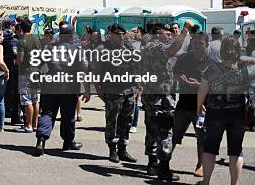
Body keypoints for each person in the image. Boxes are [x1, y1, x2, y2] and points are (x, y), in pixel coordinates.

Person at [197, 36, 255, 185]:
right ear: (237, 51)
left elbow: (203, 90)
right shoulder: (245, 70)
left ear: (221, 51)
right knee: (235, 150)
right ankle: (234, 183)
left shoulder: (211, 69)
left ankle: (206, 181)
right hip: (237, 113)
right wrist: (244, 57)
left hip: (215, 112)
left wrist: (199, 105)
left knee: (210, 149)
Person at [141, 22, 191, 181]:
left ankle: (151, 164)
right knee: (165, 132)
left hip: (150, 95)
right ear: (157, 34)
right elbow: (172, 49)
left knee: (151, 130)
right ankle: (164, 169)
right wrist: (184, 31)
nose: (169, 36)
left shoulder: (147, 47)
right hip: (160, 98)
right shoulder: (156, 47)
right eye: (167, 34)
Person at [34, 24, 90, 156]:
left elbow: (39, 64)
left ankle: (41, 140)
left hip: (50, 85)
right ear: (71, 36)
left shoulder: (49, 49)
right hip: (69, 87)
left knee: (48, 113)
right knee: (68, 115)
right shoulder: (77, 51)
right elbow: (84, 69)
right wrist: (86, 89)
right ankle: (68, 141)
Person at [94, 24, 139, 163]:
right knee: (112, 121)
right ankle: (112, 150)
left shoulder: (129, 48)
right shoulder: (102, 50)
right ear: (111, 35)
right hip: (113, 91)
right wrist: (98, 90)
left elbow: (135, 68)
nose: (121, 37)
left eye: (122, 34)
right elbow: (95, 72)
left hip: (129, 91)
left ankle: (123, 149)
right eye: (118, 34)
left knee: (126, 122)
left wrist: (138, 87)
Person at [172, 32, 210, 178]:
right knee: (174, 135)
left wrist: (199, 85)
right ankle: (164, 163)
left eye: (201, 43)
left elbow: (215, 85)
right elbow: (174, 73)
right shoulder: (184, 58)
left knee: (202, 138)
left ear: (206, 44)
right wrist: (178, 78)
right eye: (195, 43)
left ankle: (200, 165)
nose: (197, 46)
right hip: (183, 104)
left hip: (201, 107)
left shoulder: (210, 62)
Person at [16, 18, 41, 133]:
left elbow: (20, 59)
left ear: (21, 28)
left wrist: (14, 62)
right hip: (36, 71)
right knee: (35, 99)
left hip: (25, 72)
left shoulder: (22, 41)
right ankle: (35, 125)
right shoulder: (37, 39)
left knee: (27, 100)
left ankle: (28, 125)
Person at [2, 17, 21, 126]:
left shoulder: (0, 35)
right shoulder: (13, 39)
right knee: (14, 92)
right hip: (12, 67)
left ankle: (7, 110)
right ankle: (14, 114)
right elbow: (14, 55)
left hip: (2, 65)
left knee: (6, 91)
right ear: (11, 26)